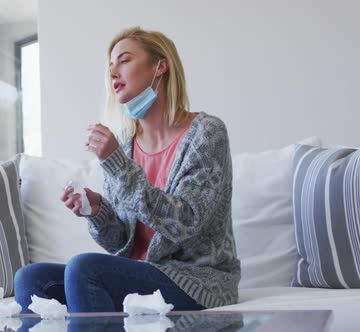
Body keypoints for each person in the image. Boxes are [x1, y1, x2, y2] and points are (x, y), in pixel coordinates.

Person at [14, 26, 240, 313]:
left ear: (160, 66)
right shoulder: (123, 145)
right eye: (110, 65)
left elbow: (185, 223)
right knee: (31, 278)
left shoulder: (207, 133)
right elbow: (121, 243)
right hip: (141, 274)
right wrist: (98, 212)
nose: (112, 73)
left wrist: (118, 165)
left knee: (85, 268)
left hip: (197, 281)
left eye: (124, 60)